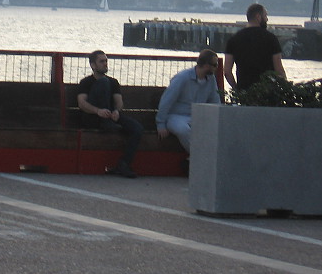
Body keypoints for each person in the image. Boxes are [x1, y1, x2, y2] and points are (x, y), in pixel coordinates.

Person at [77, 50, 144, 178]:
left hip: (111, 117)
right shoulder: (86, 82)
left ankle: (124, 164)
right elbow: (82, 104)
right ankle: (106, 122)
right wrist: (98, 111)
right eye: (101, 61)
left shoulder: (113, 82)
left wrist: (116, 112)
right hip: (93, 117)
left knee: (137, 128)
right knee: (103, 82)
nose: (105, 64)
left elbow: (119, 102)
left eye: (106, 61)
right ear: (93, 65)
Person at [156, 49, 221, 153]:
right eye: (215, 64)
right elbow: (167, 100)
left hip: (196, 116)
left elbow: (215, 101)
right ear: (206, 65)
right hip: (175, 116)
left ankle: (196, 158)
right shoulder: (182, 78)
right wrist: (161, 123)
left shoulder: (211, 80)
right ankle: (199, 156)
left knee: (213, 130)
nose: (216, 67)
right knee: (183, 130)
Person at [224, 3, 287, 90]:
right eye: (265, 16)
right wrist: (284, 89)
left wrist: (237, 89)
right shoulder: (271, 38)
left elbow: (227, 72)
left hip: (244, 91)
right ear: (258, 17)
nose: (267, 19)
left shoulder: (233, 39)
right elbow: (279, 69)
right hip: (267, 92)